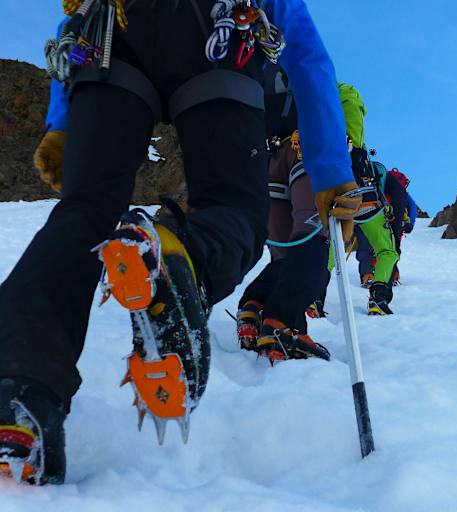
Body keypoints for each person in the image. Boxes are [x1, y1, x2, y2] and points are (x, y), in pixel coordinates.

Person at [0, 0, 359, 485]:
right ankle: (176, 255)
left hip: (111, 35)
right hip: (220, 32)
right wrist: (330, 169)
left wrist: (62, 123)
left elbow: (74, 20)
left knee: (83, 212)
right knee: (232, 207)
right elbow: (307, 55)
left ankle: (18, 395)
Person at [235, 64, 330, 363]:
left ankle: (255, 305)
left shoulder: (264, 71)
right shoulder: (326, 85)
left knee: (285, 253)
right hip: (304, 151)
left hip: (268, 158)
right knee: (313, 238)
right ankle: (282, 322)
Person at [338, 84, 399, 315]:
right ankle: (379, 298)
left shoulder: (321, 117)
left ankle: (314, 298)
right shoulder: (349, 100)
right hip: (366, 197)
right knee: (387, 251)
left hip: (333, 190)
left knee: (333, 247)